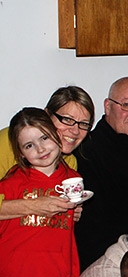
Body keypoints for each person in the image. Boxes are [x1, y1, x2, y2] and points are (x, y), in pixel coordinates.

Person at [0, 108, 80, 277]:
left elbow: (69, 237)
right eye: (29, 145)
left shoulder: (73, 180)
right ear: (21, 153)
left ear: (55, 133)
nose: (40, 148)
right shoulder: (11, 183)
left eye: (44, 137)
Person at [74, 76, 128, 270]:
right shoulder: (87, 150)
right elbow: (90, 227)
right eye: (127, 105)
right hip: (102, 261)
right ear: (107, 106)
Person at [0, 86, 94, 221]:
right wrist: (34, 206)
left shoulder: (70, 163)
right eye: (67, 119)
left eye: (83, 124)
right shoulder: (8, 142)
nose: (75, 131)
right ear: (47, 115)